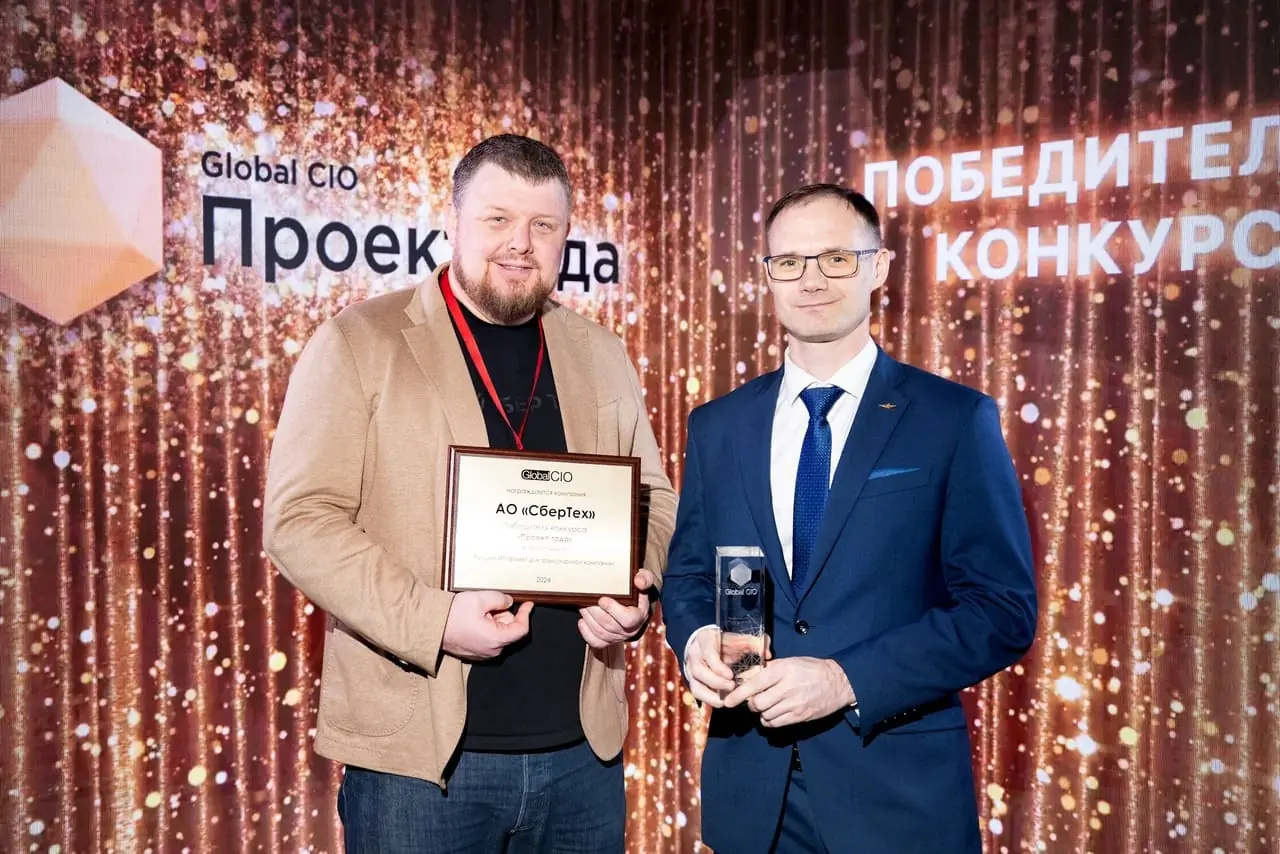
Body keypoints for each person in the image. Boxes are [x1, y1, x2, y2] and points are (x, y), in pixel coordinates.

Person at [263, 133, 677, 853]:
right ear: (452, 223)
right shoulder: (361, 341)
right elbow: (299, 521)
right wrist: (433, 621)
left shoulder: (600, 351)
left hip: (582, 755)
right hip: (420, 767)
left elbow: (655, 498)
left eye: (543, 225)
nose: (521, 243)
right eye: (497, 219)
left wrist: (638, 585)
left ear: (565, 238)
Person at [661, 183, 1038, 853]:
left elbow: (1001, 611)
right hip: (752, 799)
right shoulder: (718, 425)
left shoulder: (953, 419)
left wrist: (845, 679)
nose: (811, 280)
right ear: (767, 275)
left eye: (836, 258)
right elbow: (689, 574)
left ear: (879, 267)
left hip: (897, 801)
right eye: (789, 262)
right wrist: (696, 643)